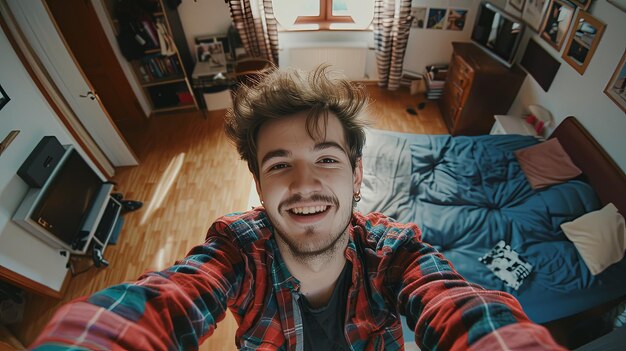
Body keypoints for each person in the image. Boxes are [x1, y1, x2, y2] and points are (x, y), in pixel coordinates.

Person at [31, 66, 565, 350]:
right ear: (259, 184)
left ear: (357, 175)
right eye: (280, 164)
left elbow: (463, 310)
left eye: (326, 159)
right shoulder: (236, 249)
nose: (305, 185)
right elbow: (162, 302)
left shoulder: (396, 250)